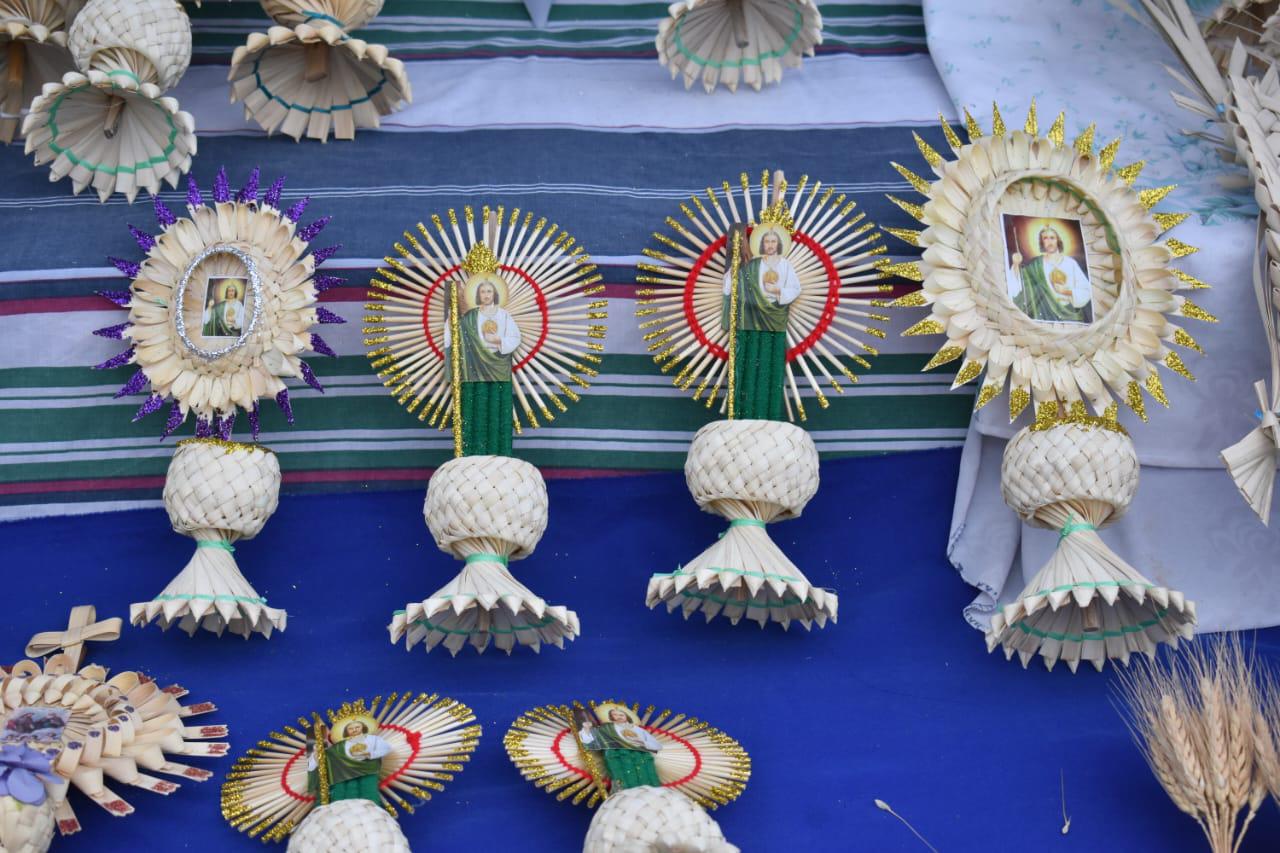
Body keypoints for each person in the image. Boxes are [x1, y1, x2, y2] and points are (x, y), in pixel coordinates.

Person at [720, 223, 800, 420]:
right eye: (766, 241)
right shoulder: (752, 264)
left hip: (775, 316)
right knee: (746, 364)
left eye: (773, 241)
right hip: (749, 318)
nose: (770, 244)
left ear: (779, 243)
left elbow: (795, 289)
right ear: (761, 244)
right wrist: (734, 267)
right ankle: (741, 416)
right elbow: (730, 287)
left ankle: (769, 418)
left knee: (770, 366)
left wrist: (779, 291)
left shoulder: (785, 265)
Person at [1007, 225, 1092, 324]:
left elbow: (1086, 290)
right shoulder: (1036, 264)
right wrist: (1016, 264)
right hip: (1043, 316)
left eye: (1052, 238)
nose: (1049, 242)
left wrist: (1066, 292)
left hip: (1070, 316)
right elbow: (1021, 284)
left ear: (1057, 240)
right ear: (1042, 242)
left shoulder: (1070, 263)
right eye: (1045, 238)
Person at [443, 275, 521, 382]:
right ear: (478, 295)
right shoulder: (470, 316)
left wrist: (498, 340)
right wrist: (451, 317)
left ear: (494, 294)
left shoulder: (504, 315)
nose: (486, 295)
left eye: (489, 291)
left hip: (499, 365)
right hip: (475, 364)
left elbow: (515, 338)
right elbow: (457, 331)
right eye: (482, 292)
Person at [307, 719, 392, 805]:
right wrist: (317, 753)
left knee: (369, 794)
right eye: (350, 728)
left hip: (368, 771)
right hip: (343, 776)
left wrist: (370, 754)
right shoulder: (340, 745)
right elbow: (326, 757)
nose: (354, 730)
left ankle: (370, 809)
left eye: (357, 727)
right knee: (341, 796)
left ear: (363, 727)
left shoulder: (374, 739)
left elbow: (386, 748)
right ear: (346, 731)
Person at [578, 705, 661, 791]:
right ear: (611, 717)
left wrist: (641, 742)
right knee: (623, 781)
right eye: (615, 715)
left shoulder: (637, 730)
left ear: (626, 716)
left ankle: (653, 793)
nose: (619, 717)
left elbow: (656, 745)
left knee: (648, 778)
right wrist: (586, 729)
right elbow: (589, 740)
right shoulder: (606, 728)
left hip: (641, 756)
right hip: (617, 756)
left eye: (621, 715)